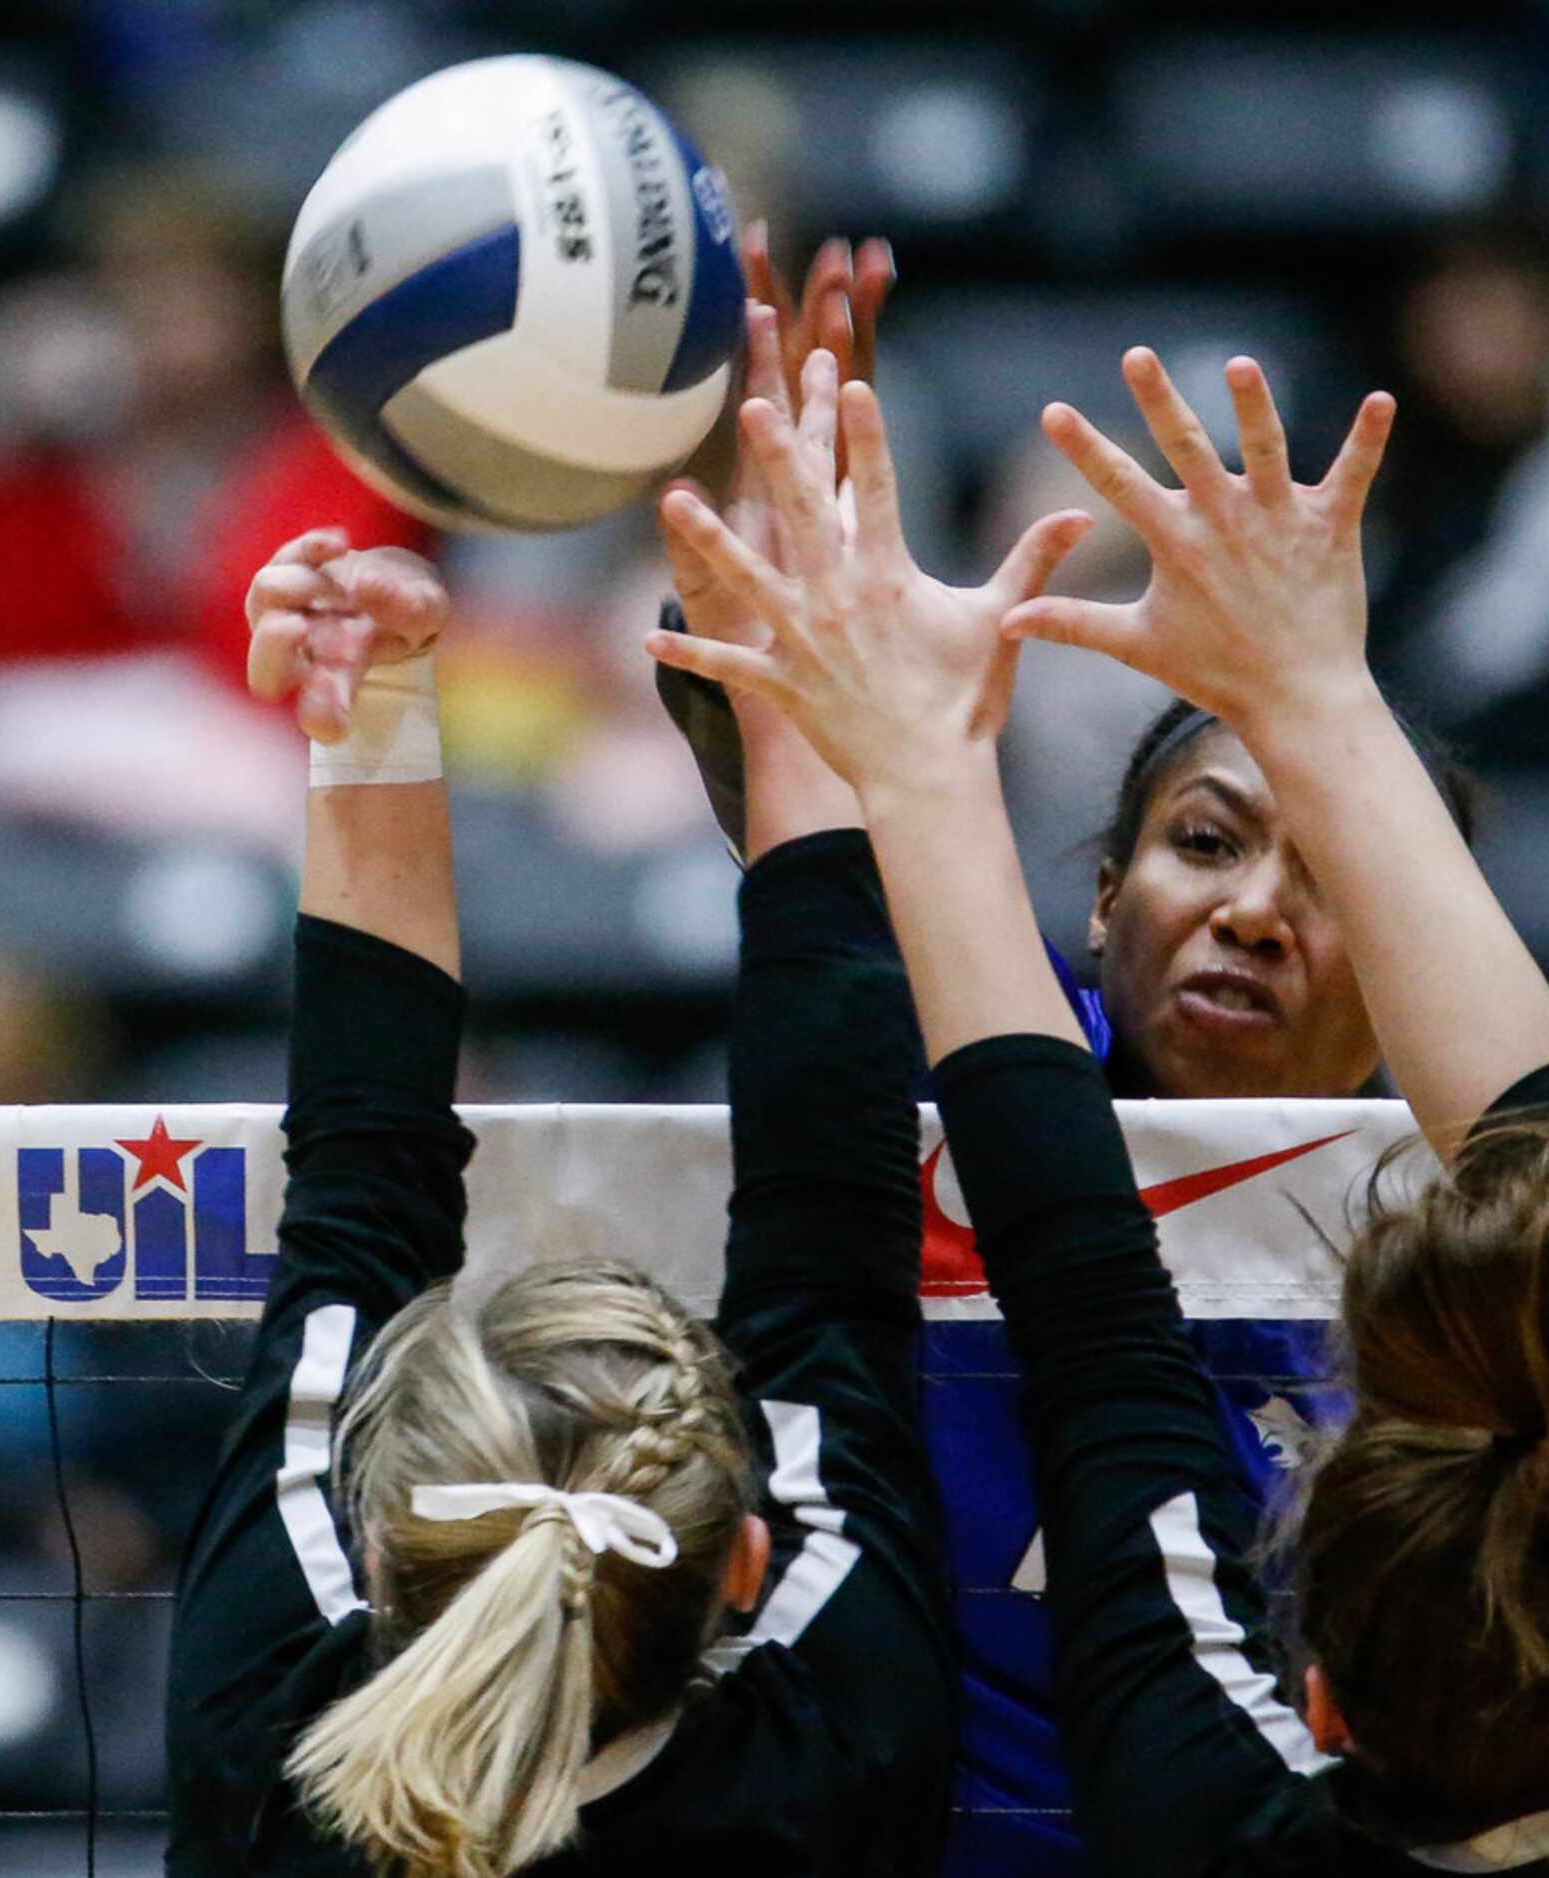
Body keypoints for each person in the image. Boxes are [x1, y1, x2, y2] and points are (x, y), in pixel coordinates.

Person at [649, 346, 1549, 1875]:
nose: (1252, 912)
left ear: (1322, 1701)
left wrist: (889, 751)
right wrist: (1312, 693)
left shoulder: (1217, 1802)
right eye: (1205, 841)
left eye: (1325, 879)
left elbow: (1072, 1310)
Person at [164, 307, 962, 1876]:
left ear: (386, 1533)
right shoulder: (829, 1754)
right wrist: (789, 692)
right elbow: (831, 1244)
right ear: (746, 1564)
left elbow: (361, 1190)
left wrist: (369, 701)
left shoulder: (288, 1745)